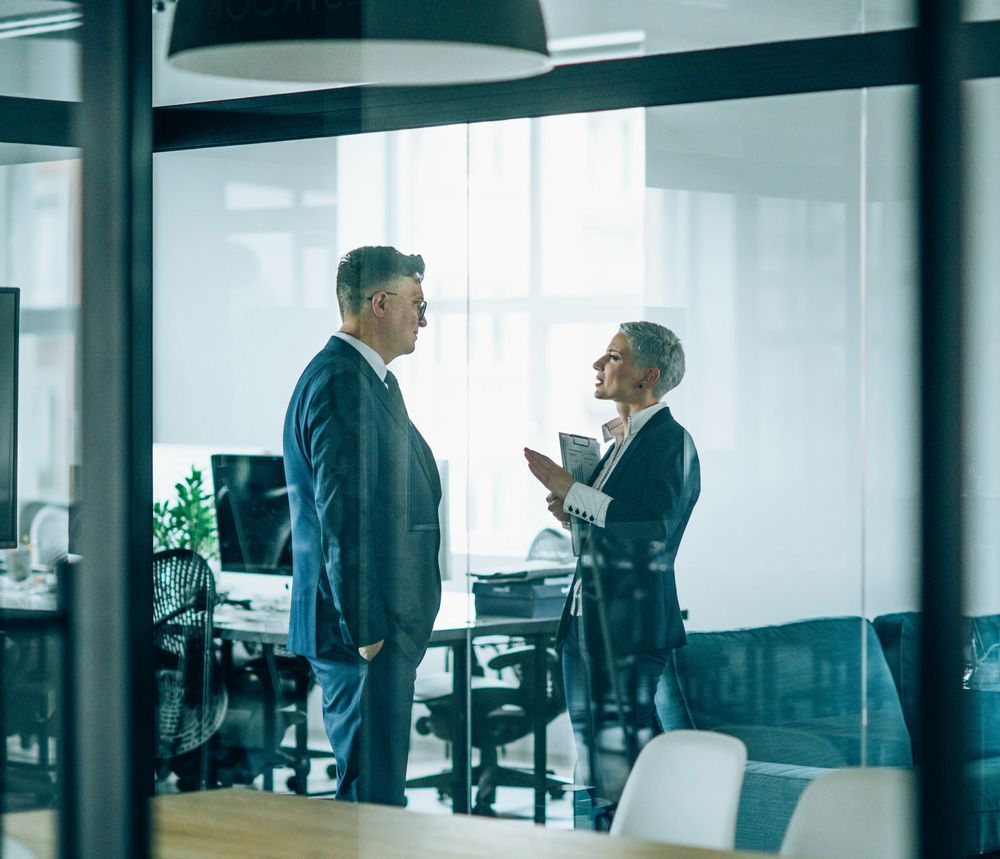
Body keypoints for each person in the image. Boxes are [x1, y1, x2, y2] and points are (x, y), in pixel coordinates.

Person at [283, 245, 441, 806]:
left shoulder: (370, 381)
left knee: (378, 794)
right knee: (372, 799)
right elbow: (342, 519)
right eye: (418, 304)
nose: (424, 319)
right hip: (362, 633)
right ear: (380, 303)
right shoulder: (340, 382)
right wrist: (369, 632)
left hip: (374, 629)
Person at [523, 321, 700, 814]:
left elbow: (653, 530)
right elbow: (610, 525)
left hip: (628, 630)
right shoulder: (619, 445)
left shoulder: (671, 443)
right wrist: (572, 513)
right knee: (595, 771)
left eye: (613, 357)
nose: (599, 366)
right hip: (586, 626)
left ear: (649, 375)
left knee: (619, 777)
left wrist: (571, 490)